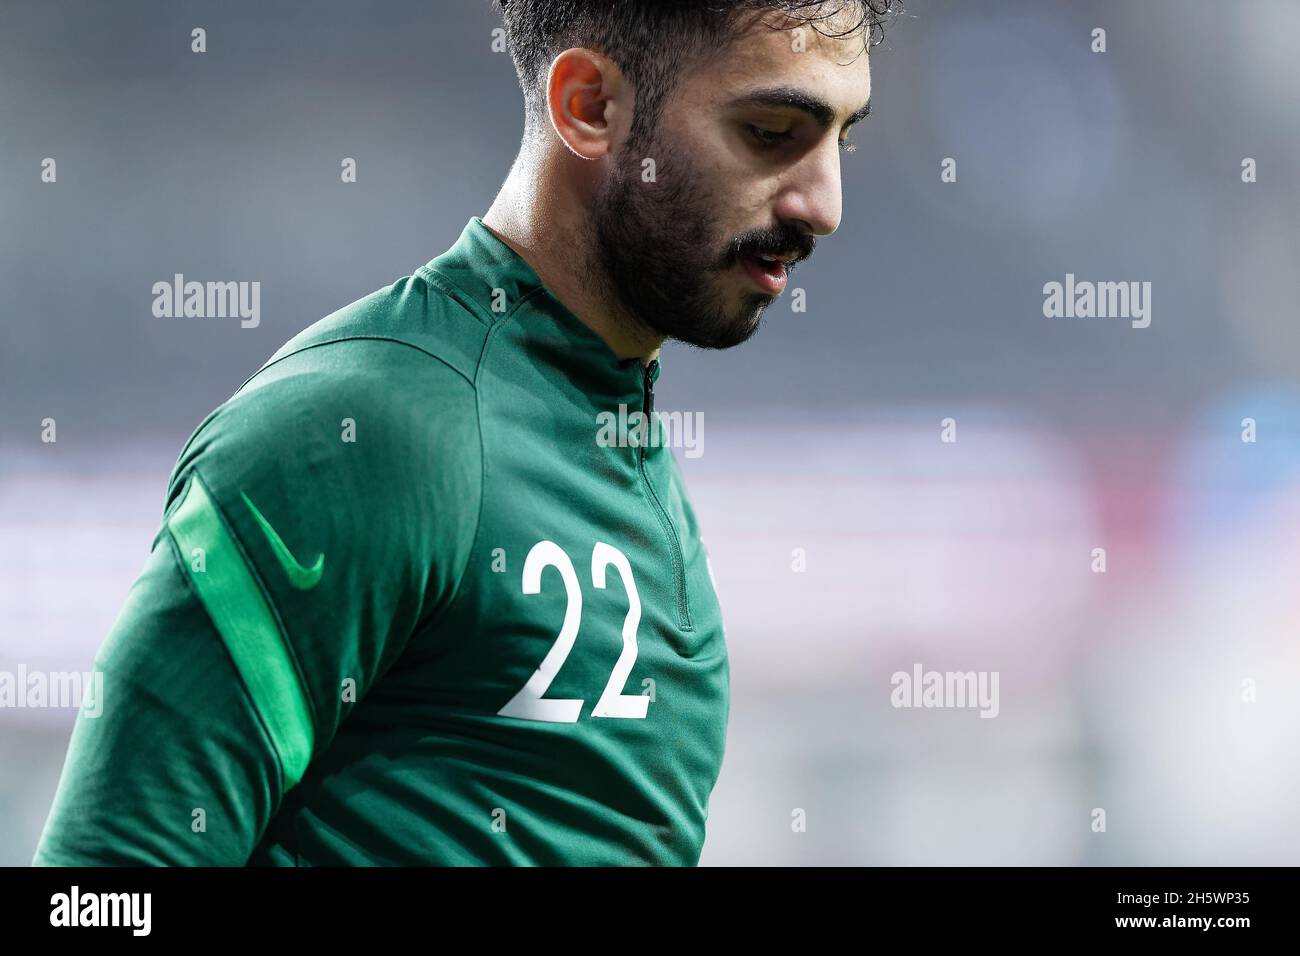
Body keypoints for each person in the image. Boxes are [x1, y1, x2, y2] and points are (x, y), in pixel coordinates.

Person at [34, 0, 888, 866]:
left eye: (840, 141)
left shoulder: (616, 444)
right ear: (589, 107)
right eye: (772, 131)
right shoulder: (362, 432)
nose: (825, 205)